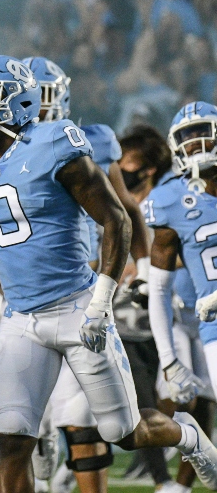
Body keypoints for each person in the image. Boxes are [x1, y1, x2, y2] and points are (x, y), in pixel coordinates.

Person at [0, 55, 217, 493]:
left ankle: (187, 435)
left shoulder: (55, 142)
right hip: (20, 320)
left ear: (20, 102)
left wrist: (101, 301)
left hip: (77, 306)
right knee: (13, 442)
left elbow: (117, 219)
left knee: (124, 432)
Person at [22, 55, 159, 490]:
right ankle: (51, 458)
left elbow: (126, 209)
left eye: (43, 96)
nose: (35, 106)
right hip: (27, 285)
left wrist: (141, 265)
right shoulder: (1, 147)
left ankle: (70, 474)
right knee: (29, 411)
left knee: (79, 411)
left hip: (82, 281)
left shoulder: (87, 140)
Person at [144, 102, 217, 492]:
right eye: (187, 137)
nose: (197, 143)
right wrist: (169, 359)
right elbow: (158, 288)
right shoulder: (170, 199)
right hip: (212, 328)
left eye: (203, 131)